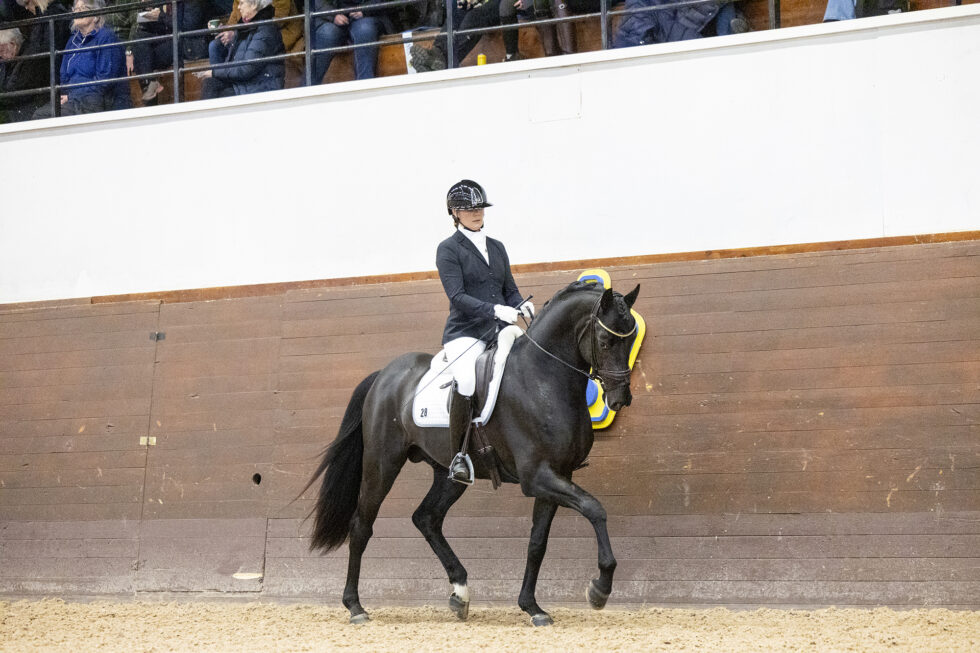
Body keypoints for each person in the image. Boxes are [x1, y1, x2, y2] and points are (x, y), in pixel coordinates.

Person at [435, 179, 533, 485]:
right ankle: (459, 456)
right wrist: (494, 310)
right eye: (468, 208)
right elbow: (457, 297)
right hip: (467, 332)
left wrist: (521, 305)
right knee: (466, 379)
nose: (476, 213)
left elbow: (510, 290)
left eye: (479, 207)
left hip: (501, 329)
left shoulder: (497, 247)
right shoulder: (448, 249)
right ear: (454, 212)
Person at [33, 0, 131, 118]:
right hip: (76, 99)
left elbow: (104, 81)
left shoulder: (106, 37)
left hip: (102, 99)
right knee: (40, 114)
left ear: (95, 16)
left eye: (83, 8)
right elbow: (64, 75)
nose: (77, 12)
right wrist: (68, 95)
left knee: (45, 115)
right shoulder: (73, 41)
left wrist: (73, 96)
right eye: (76, 9)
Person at [196, 0, 284, 99]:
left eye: (242, 3)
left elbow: (246, 69)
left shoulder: (265, 30)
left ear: (254, 6)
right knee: (211, 83)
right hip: (247, 83)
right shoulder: (247, 26)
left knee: (215, 90)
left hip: (260, 85)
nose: (238, 7)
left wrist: (214, 73)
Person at [210, 0, 302, 83]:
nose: (239, 6)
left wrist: (235, 34)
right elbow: (233, 21)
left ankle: (228, 82)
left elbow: (276, 21)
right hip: (248, 36)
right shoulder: (240, 3)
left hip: (278, 36)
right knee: (215, 45)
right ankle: (220, 81)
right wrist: (224, 29)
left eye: (241, 4)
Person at [310, 0, 387, 83]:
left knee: (364, 29)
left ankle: (365, 85)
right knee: (327, 33)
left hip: (367, 16)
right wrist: (333, 15)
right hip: (331, 18)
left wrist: (364, 9)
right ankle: (307, 89)